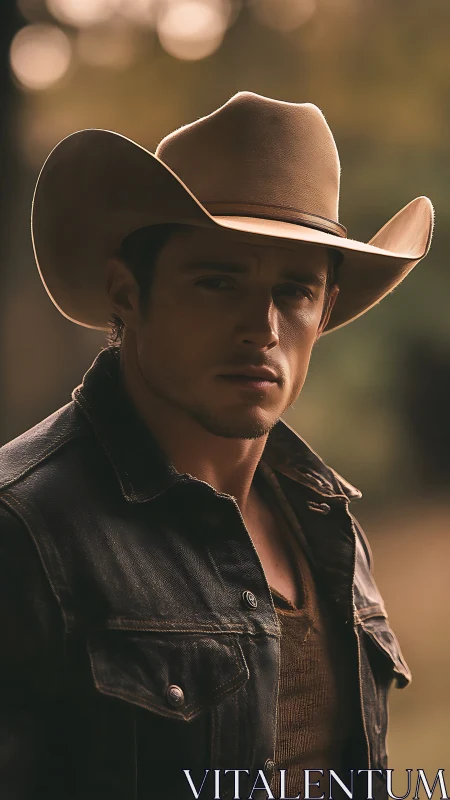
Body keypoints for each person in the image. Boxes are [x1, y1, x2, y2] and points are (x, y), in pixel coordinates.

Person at [0, 92, 433, 800]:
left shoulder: (326, 524)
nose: (261, 327)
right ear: (126, 293)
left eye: (293, 291)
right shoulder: (23, 529)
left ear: (323, 314)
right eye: (217, 282)